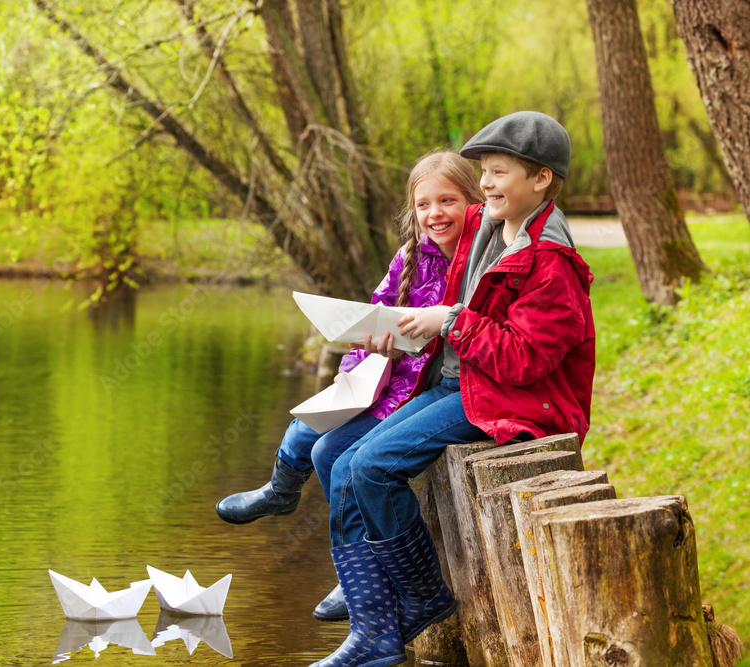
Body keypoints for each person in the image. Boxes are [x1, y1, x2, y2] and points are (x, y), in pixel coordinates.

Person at [311, 111, 596, 667]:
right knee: (340, 456)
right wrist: (394, 332)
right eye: (483, 172)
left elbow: (525, 359)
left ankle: (417, 599)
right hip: (462, 384)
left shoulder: (551, 264)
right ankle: (374, 619)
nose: (484, 184)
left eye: (498, 172)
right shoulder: (491, 228)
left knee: (371, 468)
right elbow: (435, 257)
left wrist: (450, 322)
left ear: (540, 180)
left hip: (514, 401)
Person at [213, 150, 484, 621]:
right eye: (423, 204)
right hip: (384, 377)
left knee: (327, 452)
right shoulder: (411, 257)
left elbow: (459, 343)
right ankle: (285, 494)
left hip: (420, 389)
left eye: (447, 201)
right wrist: (359, 358)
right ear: (411, 211)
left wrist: (412, 345)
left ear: (472, 201)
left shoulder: (475, 262)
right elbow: (373, 314)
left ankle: (363, 573)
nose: (434, 213)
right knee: (308, 429)